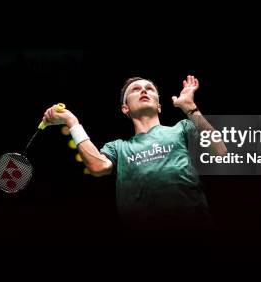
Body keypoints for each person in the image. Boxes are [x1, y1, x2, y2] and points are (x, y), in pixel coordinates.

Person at [42, 75, 226, 232]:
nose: (144, 91)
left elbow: (220, 151)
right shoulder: (118, 147)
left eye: (149, 89)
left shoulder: (182, 129)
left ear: (159, 106)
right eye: (136, 89)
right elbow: (98, 166)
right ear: (125, 108)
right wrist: (72, 122)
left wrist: (189, 107)